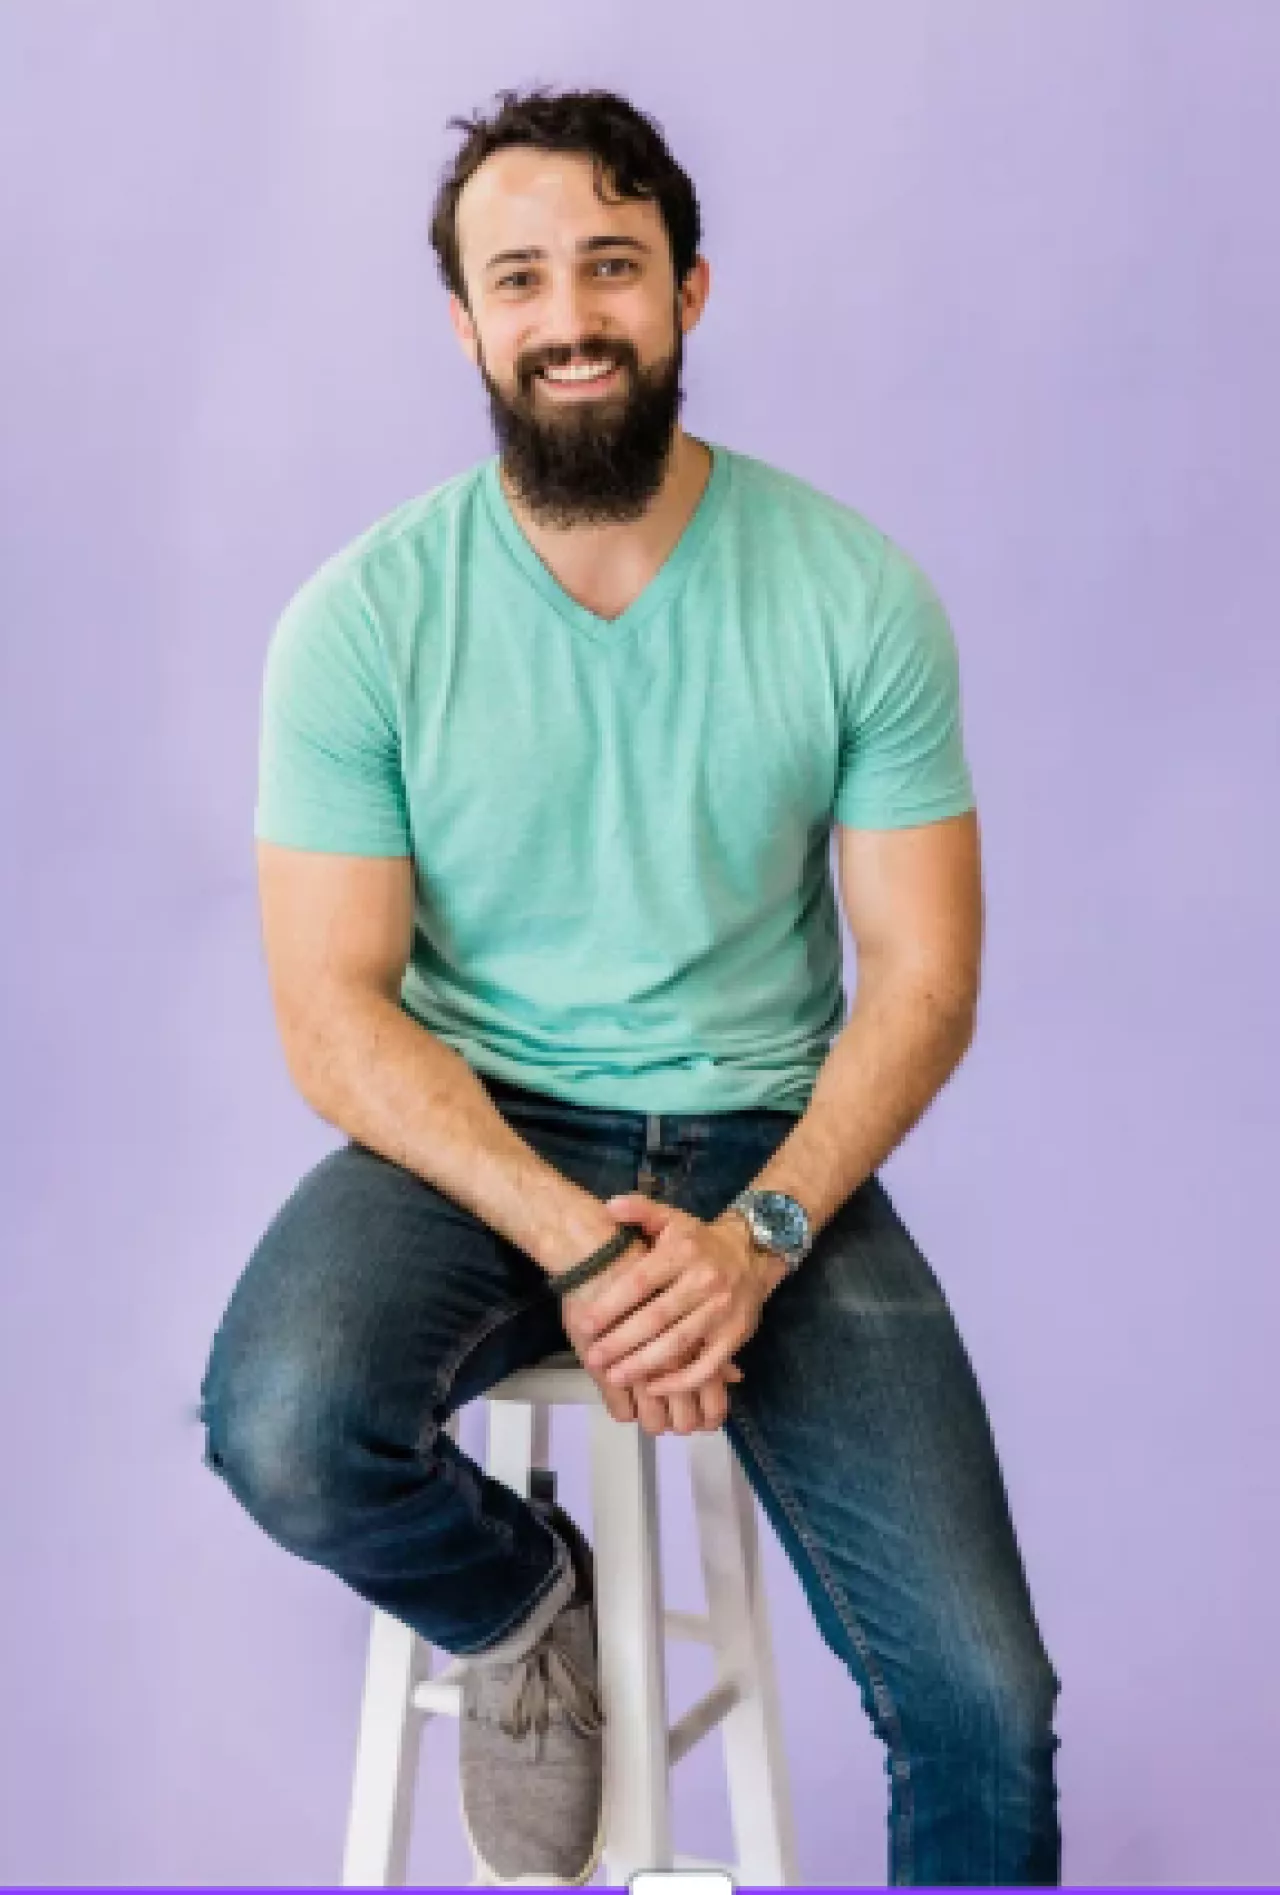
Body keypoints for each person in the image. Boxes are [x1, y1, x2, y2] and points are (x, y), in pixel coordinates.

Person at [198, 84, 1062, 1887]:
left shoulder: (855, 594)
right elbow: (335, 1015)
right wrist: (579, 1245)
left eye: (612, 264)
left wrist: (755, 1238)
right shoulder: (362, 620)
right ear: (465, 323)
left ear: (688, 291)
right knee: (282, 1422)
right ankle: (526, 1601)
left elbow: (924, 977)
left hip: (769, 1140)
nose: (571, 314)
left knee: (984, 1700)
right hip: (478, 1139)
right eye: (520, 278)